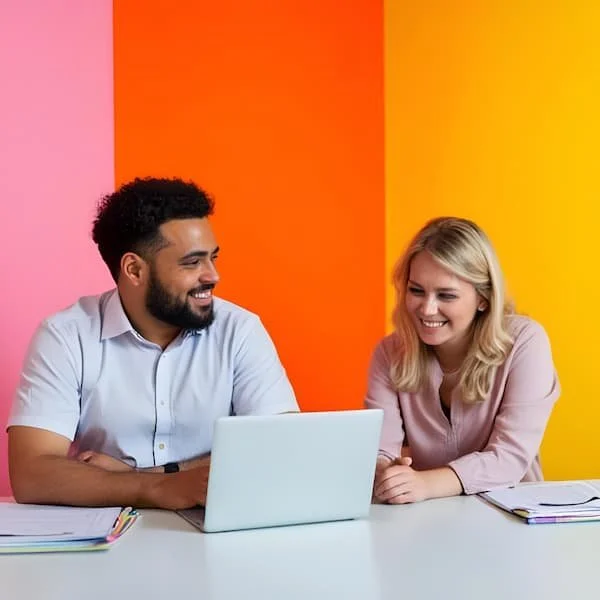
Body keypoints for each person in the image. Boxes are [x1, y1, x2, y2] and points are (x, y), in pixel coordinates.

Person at [8, 177, 298, 509]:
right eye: (192, 262)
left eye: (212, 258)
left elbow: (282, 450)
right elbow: (32, 473)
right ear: (134, 269)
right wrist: (157, 488)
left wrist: (150, 474)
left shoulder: (240, 330)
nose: (212, 275)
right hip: (107, 543)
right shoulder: (66, 336)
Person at [367, 217, 560, 504]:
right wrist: (385, 475)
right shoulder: (389, 353)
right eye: (416, 290)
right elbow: (380, 450)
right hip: (423, 520)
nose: (427, 309)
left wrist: (426, 483)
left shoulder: (524, 342)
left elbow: (509, 458)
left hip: (511, 518)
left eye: (446, 295)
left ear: (483, 298)